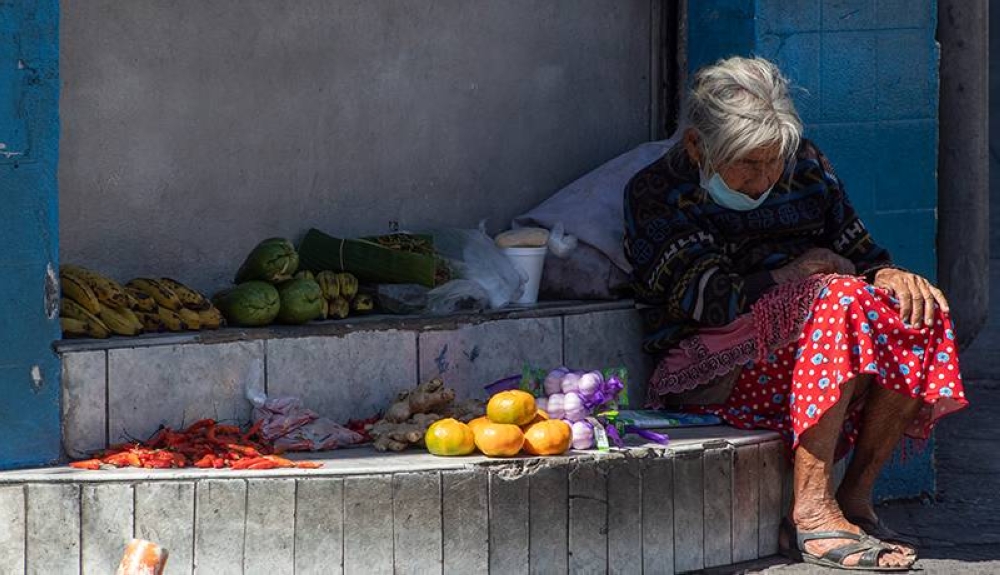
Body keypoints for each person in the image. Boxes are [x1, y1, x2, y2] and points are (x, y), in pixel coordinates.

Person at [623, 56, 968, 571]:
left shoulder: (804, 164)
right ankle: (810, 507)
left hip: (808, 351)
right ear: (698, 146)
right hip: (711, 373)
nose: (764, 179)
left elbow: (862, 253)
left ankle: (854, 498)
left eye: (773, 161)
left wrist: (891, 275)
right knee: (839, 299)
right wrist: (793, 276)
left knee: (918, 306)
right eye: (747, 163)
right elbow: (709, 302)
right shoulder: (656, 192)